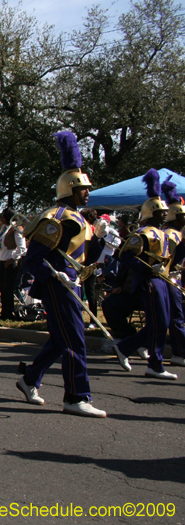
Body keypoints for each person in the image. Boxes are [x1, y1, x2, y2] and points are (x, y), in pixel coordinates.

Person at [16, 131, 106, 418]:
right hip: (58, 285)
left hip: (72, 283)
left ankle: (30, 379)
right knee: (74, 341)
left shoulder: (80, 218)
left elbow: (82, 257)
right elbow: (34, 259)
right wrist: (56, 277)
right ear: (69, 189)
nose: (88, 193)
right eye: (83, 189)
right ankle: (76, 396)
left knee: (60, 339)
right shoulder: (58, 217)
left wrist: (101, 243)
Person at [111, 169, 179, 380]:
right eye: (159, 212)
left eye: (164, 212)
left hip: (162, 280)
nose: (163, 214)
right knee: (158, 323)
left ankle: (130, 349)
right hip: (149, 281)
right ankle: (154, 364)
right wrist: (149, 268)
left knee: (162, 323)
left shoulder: (163, 234)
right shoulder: (143, 233)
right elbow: (126, 256)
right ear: (150, 212)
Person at [161, 177, 185, 367]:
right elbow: (171, 260)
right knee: (175, 318)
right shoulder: (170, 234)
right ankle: (179, 352)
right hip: (170, 278)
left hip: (178, 277)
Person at [0, 207, 26, 320]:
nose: (1, 219)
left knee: (8, 289)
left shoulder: (16, 228)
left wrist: (12, 259)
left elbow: (22, 247)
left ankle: (10, 312)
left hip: (11, 262)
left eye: (3, 216)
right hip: (2, 260)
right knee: (2, 289)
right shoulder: (4, 228)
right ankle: (4, 312)